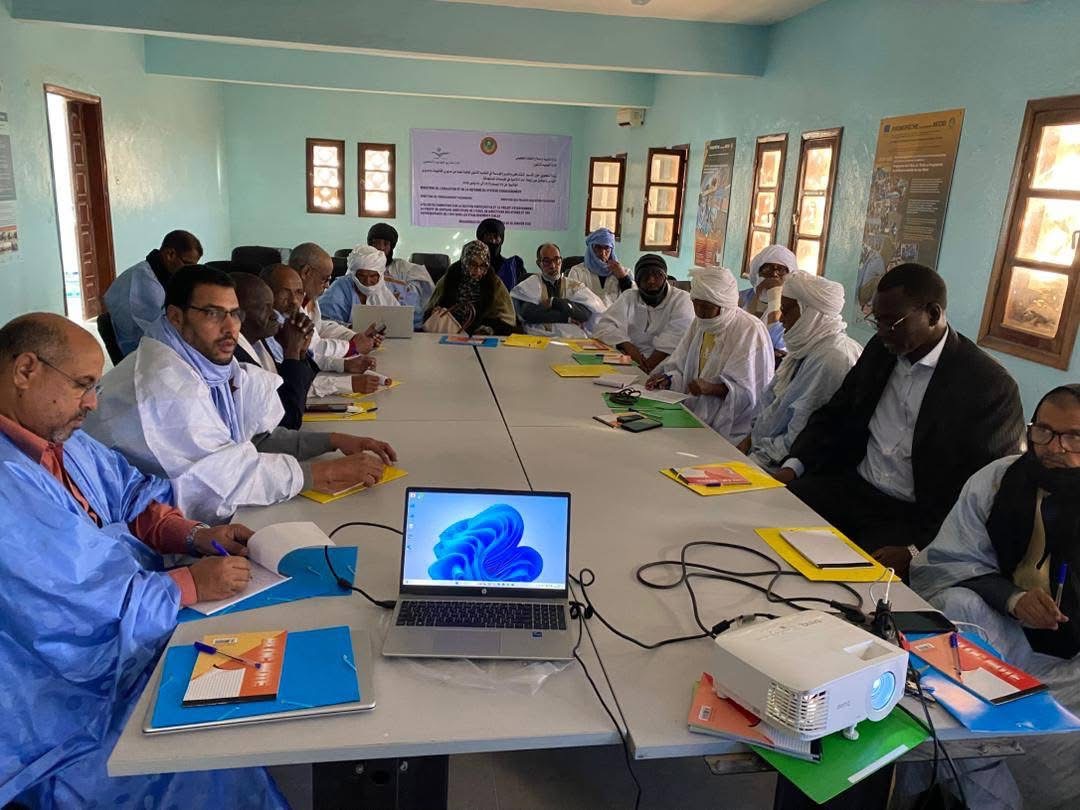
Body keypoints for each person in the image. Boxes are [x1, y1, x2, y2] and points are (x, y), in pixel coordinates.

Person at [0, 312, 284, 809]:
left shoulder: (60, 439)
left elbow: (133, 497)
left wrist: (195, 535)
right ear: (26, 370)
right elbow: (76, 607)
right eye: (82, 385)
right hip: (62, 700)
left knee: (245, 678)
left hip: (139, 631)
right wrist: (189, 585)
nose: (92, 403)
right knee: (205, 746)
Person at [83, 266, 396, 522]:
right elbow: (224, 480)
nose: (230, 327)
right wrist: (324, 472)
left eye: (234, 314)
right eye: (213, 313)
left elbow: (251, 439)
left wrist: (334, 440)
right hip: (136, 535)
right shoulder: (165, 386)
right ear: (176, 317)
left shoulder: (208, 362)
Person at [775, 263, 1024, 577]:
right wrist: (793, 466)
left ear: (933, 314)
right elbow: (835, 414)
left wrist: (916, 549)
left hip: (914, 517)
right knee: (774, 515)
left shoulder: (988, 387)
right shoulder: (882, 350)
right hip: (854, 487)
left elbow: (982, 492)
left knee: (850, 578)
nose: (881, 332)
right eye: (877, 321)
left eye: (892, 322)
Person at [910, 385, 1080, 809]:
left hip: (1073, 663)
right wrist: (1013, 599)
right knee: (955, 607)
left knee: (1047, 764)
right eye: (1044, 431)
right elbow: (947, 563)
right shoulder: (1000, 479)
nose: (1055, 448)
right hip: (1007, 634)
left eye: (1074, 438)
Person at [738, 271, 862, 469]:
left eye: (786, 310)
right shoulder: (804, 347)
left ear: (810, 313)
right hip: (765, 451)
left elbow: (802, 433)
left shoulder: (833, 358)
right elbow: (770, 408)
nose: (781, 319)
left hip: (793, 465)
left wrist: (756, 459)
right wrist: (749, 442)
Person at [646, 266, 773, 441]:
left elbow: (751, 394)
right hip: (693, 416)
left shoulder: (750, 330)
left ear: (724, 306)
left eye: (706, 307)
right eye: (695, 304)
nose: (699, 312)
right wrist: (669, 379)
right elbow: (682, 367)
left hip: (732, 431)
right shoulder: (700, 323)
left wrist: (711, 388)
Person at [263, 263, 382, 397]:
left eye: (299, 292)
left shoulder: (290, 313)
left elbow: (310, 355)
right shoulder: (268, 331)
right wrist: (346, 383)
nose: (294, 301)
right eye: (284, 293)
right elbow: (286, 384)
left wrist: (342, 364)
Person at [232, 272, 316, 430]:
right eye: (265, 308)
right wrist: (292, 351)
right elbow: (289, 419)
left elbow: (289, 390)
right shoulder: (235, 357)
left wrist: (300, 352)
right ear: (238, 313)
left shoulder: (259, 341)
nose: (274, 316)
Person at [103, 230, 202, 356]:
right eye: (187, 264)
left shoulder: (157, 274)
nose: (190, 271)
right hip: (138, 349)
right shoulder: (146, 280)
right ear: (170, 254)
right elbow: (158, 331)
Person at [591, 254, 694, 373]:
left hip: (665, 363)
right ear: (637, 280)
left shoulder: (682, 299)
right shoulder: (629, 296)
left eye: (657, 275)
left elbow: (677, 336)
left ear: (665, 277)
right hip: (631, 359)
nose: (651, 281)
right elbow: (604, 326)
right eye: (645, 276)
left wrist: (648, 365)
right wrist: (628, 346)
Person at [289, 241, 382, 371]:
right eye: (325, 279)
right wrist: (352, 347)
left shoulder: (308, 296)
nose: (327, 285)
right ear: (306, 272)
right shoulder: (289, 304)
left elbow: (320, 327)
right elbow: (313, 349)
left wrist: (354, 337)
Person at [509, 243, 605, 338]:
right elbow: (528, 314)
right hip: (539, 337)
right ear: (539, 264)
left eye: (556, 260)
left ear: (561, 261)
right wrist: (567, 317)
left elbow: (585, 314)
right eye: (547, 261)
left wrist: (555, 302)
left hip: (570, 338)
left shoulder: (574, 286)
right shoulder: (530, 284)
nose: (553, 266)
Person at [425, 240, 517, 336]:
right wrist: (435, 312)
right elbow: (430, 309)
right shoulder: (449, 279)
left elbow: (507, 319)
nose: (478, 271)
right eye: (473, 265)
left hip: (481, 338)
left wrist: (490, 329)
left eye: (483, 266)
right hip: (448, 332)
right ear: (464, 262)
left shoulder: (494, 283)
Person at [318, 243, 408, 324]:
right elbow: (324, 322)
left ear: (380, 275)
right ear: (353, 274)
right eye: (362, 276)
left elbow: (398, 320)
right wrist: (350, 329)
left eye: (373, 276)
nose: (367, 281)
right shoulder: (339, 288)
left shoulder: (385, 289)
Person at [367, 222, 435, 326]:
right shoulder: (359, 269)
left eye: (385, 243)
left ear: (392, 246)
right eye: (376, 243)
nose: (381, 247)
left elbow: (419, 299)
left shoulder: (405, 268)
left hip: (402, 323)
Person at [740, 244, 798, 360]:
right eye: (768, 269)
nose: (774, 274)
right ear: (757, 272)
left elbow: (780, 343)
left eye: (781, 270)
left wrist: (775, 296)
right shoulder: (740, 298)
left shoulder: (795, 307)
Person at [566, 227, 633, 307]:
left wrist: (623, 278)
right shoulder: (577, 272)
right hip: (586, 315)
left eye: (607, 248)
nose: (602, 253)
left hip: (616, 315)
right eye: (598, 247)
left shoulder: (625, 272)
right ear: (590, 249)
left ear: (612, 249)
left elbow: (633, 302)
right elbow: (571, 301)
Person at [476, 217, 527, 292]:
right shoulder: (470, 266)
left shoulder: (514, 267)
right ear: (480, 240)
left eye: (496, 237)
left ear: (502, 239)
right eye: (488, 236)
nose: (492, 241)